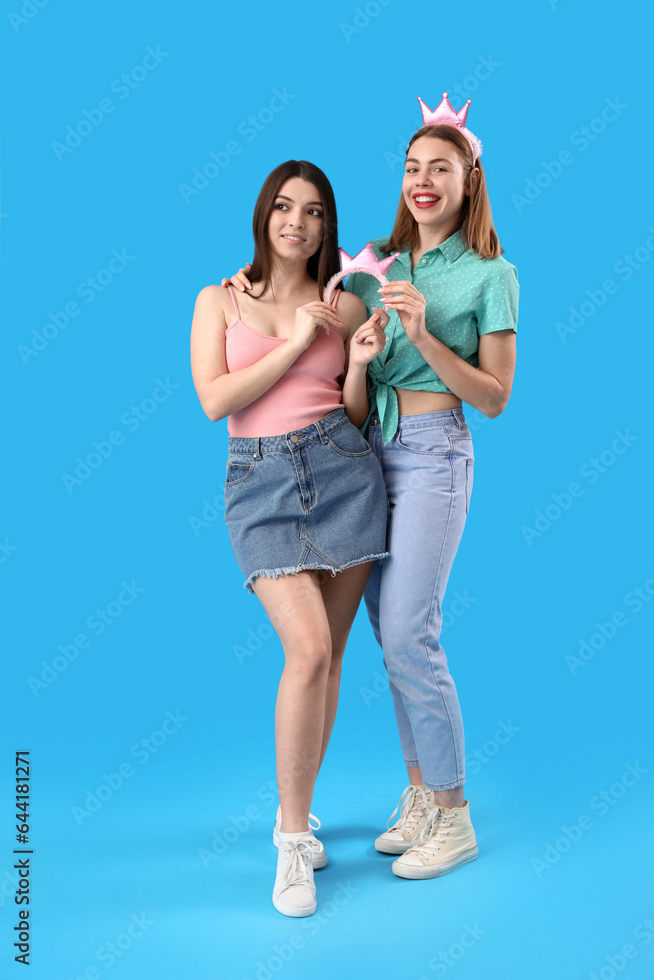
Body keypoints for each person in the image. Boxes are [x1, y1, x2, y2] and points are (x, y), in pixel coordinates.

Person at [226, 98, 519, 881]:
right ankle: (420, 792)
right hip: (365, 455)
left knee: (411, 633)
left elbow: (493, 397)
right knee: (391, 640)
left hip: (432, 452)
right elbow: (317, 331)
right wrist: (269, 298)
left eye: (441, 168)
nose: (423, 180)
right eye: (413, 167)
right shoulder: (379, 261)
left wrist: (421, 335)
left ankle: (454, 815)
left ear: (469, 181)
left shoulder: (491, 274)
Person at [190, 160, 390, 916]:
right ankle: (289, 842)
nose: (296, 223)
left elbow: (353, 411)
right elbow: (215, 400)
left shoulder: (339, 304)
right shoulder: (220, 300)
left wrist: (359, 364)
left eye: (311, 212)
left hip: (343, 468)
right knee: (304, 650)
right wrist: (293, 338)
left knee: (330, 660)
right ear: (262, 215)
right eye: (283, 207)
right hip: (261, 483)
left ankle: (297, 820)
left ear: (325, 227)